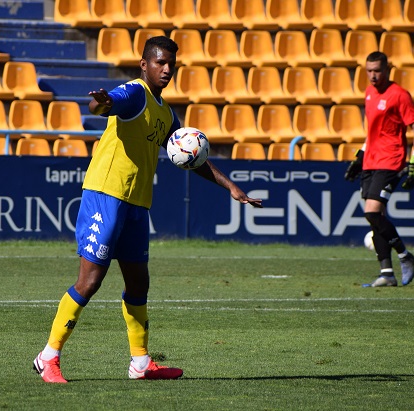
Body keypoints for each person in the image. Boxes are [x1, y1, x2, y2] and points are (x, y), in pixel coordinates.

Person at [33, 36, 263, 383]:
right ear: (145, 65)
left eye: (172, 63)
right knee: (91, 280)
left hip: (137, 203)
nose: (167, 69)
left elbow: (192, 158)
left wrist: (230, 186)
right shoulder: (136, 93)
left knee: (139, 282)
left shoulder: (166, 112)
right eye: (160, 63)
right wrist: (101, 102)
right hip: (106, 194)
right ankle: (48, 357)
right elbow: (105, 106)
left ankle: (140, 363)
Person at [345, 51, 414, 288]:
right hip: (371, 160)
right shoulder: (369, 93)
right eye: (368, 71)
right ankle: (387, 274)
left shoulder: (399, 95)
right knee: (376, 219)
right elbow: (373, 130)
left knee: (371, 212)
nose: (372, 75)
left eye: (377, 71)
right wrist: (359, 157)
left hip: (391, 160)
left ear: (387, 70)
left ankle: (404, 255)